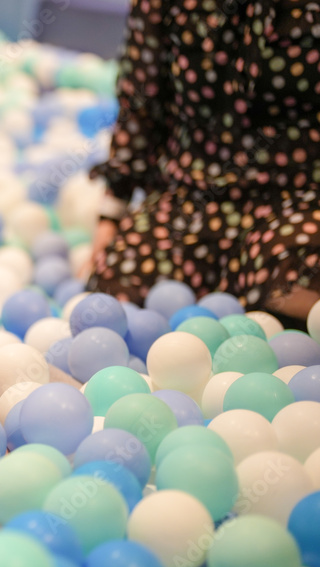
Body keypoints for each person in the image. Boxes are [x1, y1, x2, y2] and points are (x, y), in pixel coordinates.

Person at [87, 0, 320, 325]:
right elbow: (141, 101)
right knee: (117, 284)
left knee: (293, 283)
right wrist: (111, 215)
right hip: (194, 198)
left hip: (302, 197)